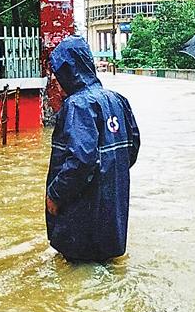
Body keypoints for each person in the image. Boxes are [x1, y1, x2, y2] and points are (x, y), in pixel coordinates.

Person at [44, 36, 141, 262]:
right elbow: (132, 148)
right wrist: (110, 174)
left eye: (58, 76)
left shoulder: (77, 105)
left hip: (82, 219)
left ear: (69, 73)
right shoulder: (118, 100)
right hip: (113, 214)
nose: (57, 84)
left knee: (78, 273)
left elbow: (81, 161)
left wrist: (55, 194)